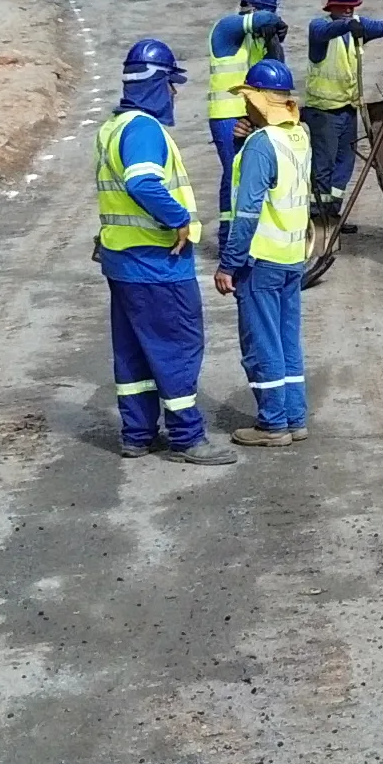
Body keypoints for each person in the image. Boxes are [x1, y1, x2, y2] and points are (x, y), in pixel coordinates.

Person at [93, 38, 230, 466]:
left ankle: (137, 434)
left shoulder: (114, 127)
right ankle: (188, 437)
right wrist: (179, 220)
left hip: (123, 262)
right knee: (177, 348)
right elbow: (143, 183)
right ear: (157, 84)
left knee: (134, 350)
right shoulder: (144, 130)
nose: (174, 93)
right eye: (172, 84)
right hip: (158, 265)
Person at [214, 60, 313, 447]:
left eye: (247, 99)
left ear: (258, 100)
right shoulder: (298, 134)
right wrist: (244, 143)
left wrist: (229, 263)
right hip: (291, 257)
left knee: (261, 345)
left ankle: (272, 424)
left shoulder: (261, 144)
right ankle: (295, 418)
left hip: (260, 261)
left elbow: (247, 211)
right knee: (287, 342)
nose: (243, 106)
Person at [302, 0, 383, 220]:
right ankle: (317, 218)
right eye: (342, 6)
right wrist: (347, 25)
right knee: (323, 166)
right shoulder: (319, 28)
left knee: (345, 164)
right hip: (323, 112)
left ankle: (333, 214)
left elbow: (382, 27)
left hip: (347, 109)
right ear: (330, 5)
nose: (347, 10)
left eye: (351, 6)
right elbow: (326, 31)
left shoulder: (357, 27)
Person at [205, 0, 287, 212]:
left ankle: (241, 224)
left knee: (250, 172)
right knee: (234, 173)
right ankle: (228, 229)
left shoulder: (258, 39)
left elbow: (278, 68)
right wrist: (275, 22)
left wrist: (273, 40)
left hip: (254, 115)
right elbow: (263, 19)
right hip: (227, 116)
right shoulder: (226, 29)